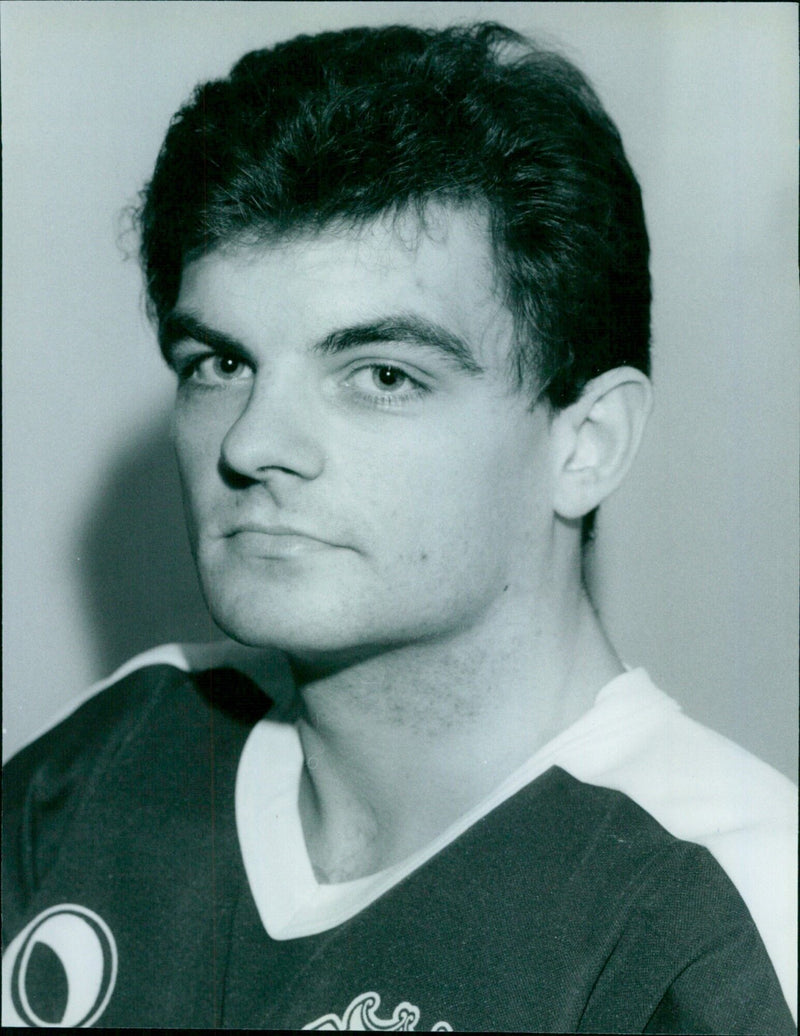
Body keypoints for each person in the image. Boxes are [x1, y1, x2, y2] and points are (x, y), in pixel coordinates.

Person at [2, 21, 795, 1033]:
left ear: (585, 442)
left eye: (380, 375)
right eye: (219, 362)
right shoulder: (122, 755)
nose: (251, 441)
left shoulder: (712, 909)